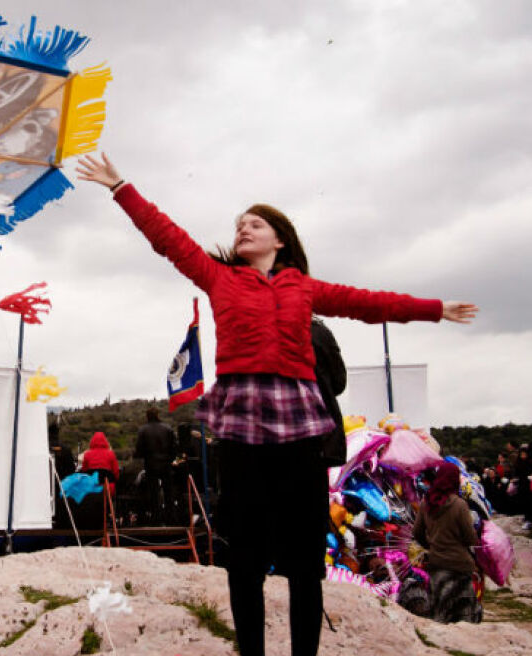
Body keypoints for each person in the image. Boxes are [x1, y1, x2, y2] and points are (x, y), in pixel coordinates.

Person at [76, 153, 477, 656]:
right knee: (243, 558)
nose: (243, 229)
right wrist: (120, 187)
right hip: (241, 427)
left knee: (305, 561)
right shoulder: (219, 277)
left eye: (255, 224)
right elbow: (167, 238)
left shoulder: (303, 288)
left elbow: (368, 302)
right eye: (239, 225)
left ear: (280, 239)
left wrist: (434, 310)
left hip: (299, 429)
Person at [413, 462, 481, 624]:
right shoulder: (459, 505)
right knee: (464, 615)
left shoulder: (426, 503)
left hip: (436, 563)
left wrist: (430, 545)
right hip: (460, 565)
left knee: (440, 611)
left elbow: (416, 532)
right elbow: (470, 538)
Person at [134, 407, 177, 524]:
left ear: (147, 416)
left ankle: (156, 518)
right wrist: (170, 459)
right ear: (158, 415)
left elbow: (139, 449)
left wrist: (143, 457)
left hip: (151, 464)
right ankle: (171, 518)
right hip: (166, 464)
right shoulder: (167, 428)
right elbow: (174, 447)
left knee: (153, 493)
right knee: (168, 492)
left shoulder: (143, 430)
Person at [80, 432, 120, 497]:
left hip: (91, 488)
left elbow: (84, 472)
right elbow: (116, 473)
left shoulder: (87, 454)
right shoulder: (111, 454)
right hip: (107, 488)